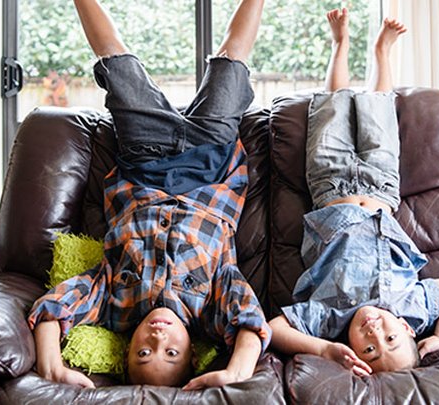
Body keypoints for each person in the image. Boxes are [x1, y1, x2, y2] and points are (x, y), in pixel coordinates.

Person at [28, 0, 270, 389]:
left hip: (145, 161)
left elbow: (53, 307)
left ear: (126, 351)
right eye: (171, 353)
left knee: (118, 65)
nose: (158, 339)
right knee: (231, 63)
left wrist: (51, 367)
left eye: (143, 353)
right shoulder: (212, 311)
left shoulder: (111, 302)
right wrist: (235, 372)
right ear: (193, 354)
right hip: (210, 164)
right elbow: (251, 322)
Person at [268, 8, 439, 376]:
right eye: (391, 339)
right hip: (381, 189)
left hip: (329, 186)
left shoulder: (330, 320)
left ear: (354, 350)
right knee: (378, 116)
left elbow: (275, 328)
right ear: (407, 329)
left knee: (332, 107)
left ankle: (339, 44)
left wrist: (326, 349)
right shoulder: (412, 308)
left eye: (370, 350)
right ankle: (381, 52)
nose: (375, 333)